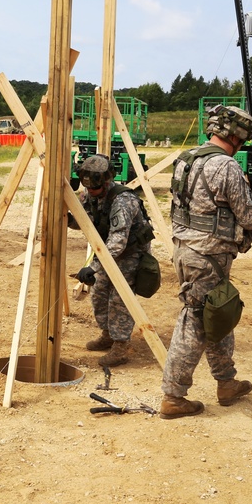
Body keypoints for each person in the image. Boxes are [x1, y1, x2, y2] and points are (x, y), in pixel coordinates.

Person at [159, 105, 252, 419]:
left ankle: (226, 382)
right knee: (194, 322)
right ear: (235, 135)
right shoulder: (226, 167)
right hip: (208, 257)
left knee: (219, 313)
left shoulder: (187, 159)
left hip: (187, 250)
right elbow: (250, 217)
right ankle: (173, 396)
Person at [67, 154, 154, 367]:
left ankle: (121, 346)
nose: (91, 193)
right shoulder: (91, 195)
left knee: (119, 299)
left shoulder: (123, 201)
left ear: (106, 182)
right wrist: (68, 218)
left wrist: (94, 267)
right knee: (99, 294)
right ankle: (107, 334)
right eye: (89, 189)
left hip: (130, 253)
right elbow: (85, 220)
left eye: (95, 189)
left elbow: (118, 241)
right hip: (109, 252)